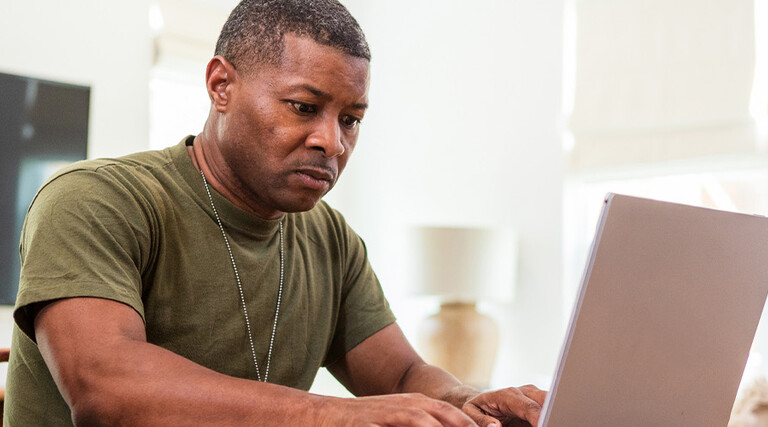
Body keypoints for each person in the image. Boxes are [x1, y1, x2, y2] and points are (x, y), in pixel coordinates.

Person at [4, 0, 546, 425]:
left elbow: (401, 374)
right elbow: (107, 391)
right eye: (305, 108)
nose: (331, 142)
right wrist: (338, 416)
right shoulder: (96, 200)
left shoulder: (331, 238)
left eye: (351, 119)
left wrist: (466, 401)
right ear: (222, 86)